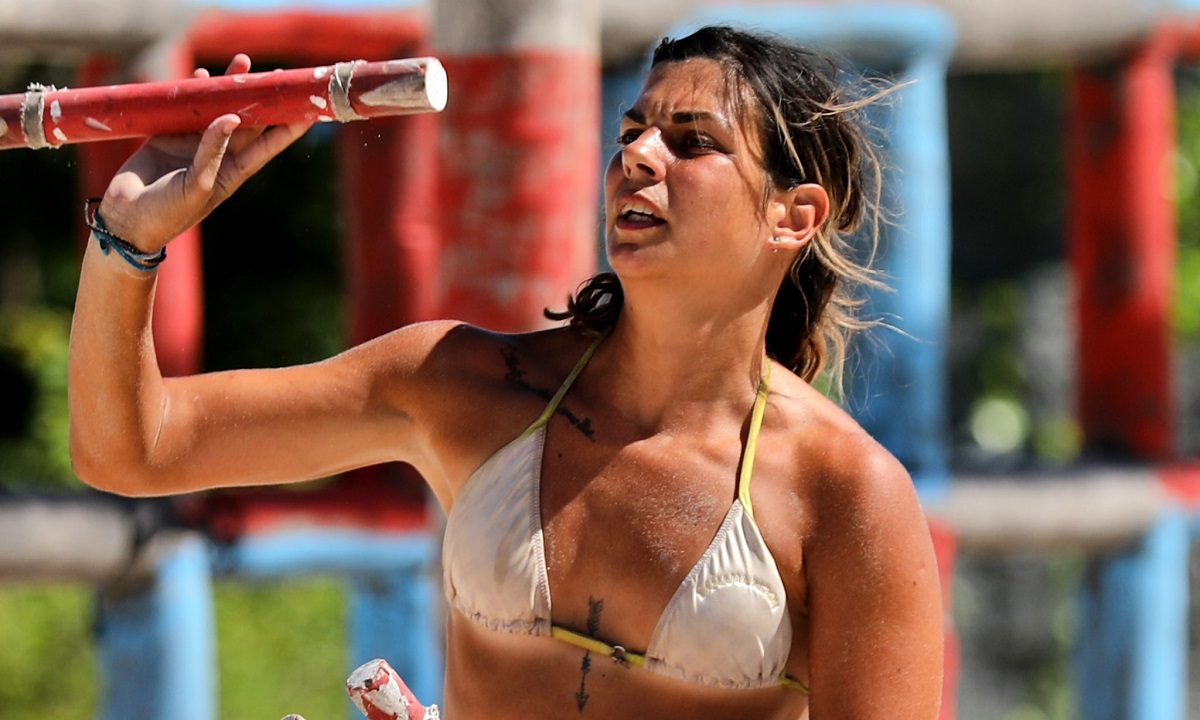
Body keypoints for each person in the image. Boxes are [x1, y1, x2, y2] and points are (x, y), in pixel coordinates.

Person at [70, 25, 943, 720]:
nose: (639, 157)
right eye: (631, 132)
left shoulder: (844, 493)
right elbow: (130, 449)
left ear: (795, 216)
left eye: (692, 140)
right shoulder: (461, 384)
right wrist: (127, 241)